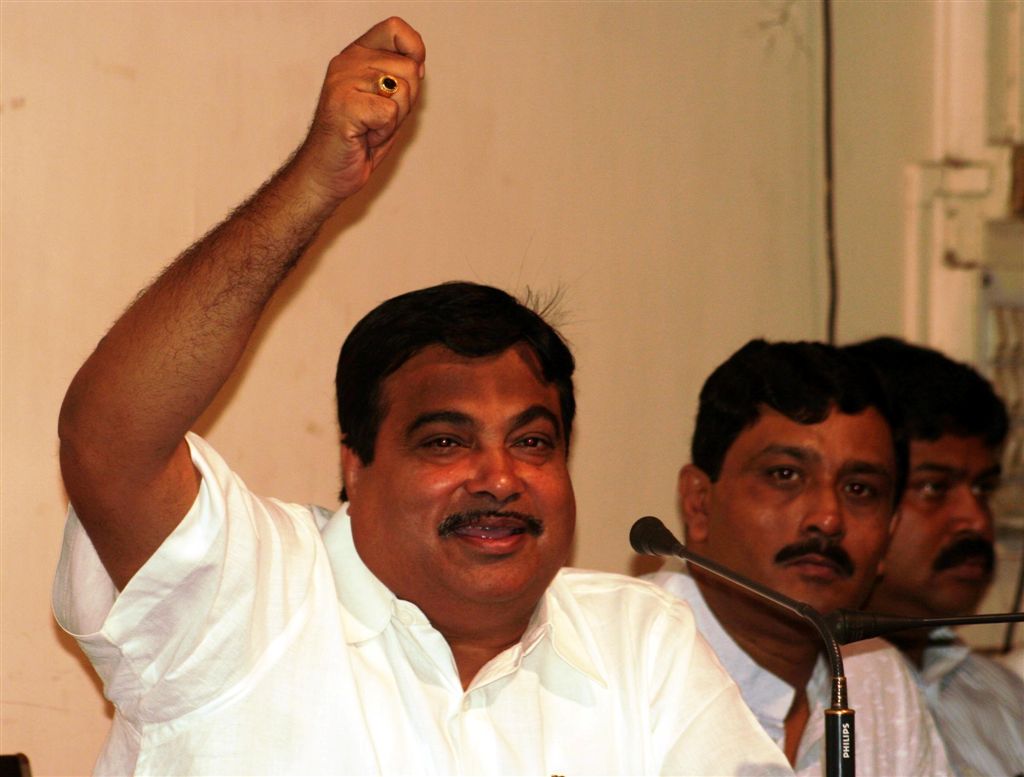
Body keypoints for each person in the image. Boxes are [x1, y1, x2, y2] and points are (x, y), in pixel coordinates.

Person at [52, 17, 792, 776]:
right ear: (355, 464)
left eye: (533, 441)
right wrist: (314, 183)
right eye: (447, 441)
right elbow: (108, 438)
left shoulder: (639, 642)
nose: (501, 478)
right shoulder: (245, 591)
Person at [645, 339, 952, 776]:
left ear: (889, 533)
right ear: (698, 504)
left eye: (860, 489)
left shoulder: (876, 678)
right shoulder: (622, 668)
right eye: (785, 475)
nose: (827, 519)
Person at [849, 336, 1024, 777]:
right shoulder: (801, 696)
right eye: (933, 487)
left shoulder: (998, 696)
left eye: (982, 488)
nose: (976, 521)